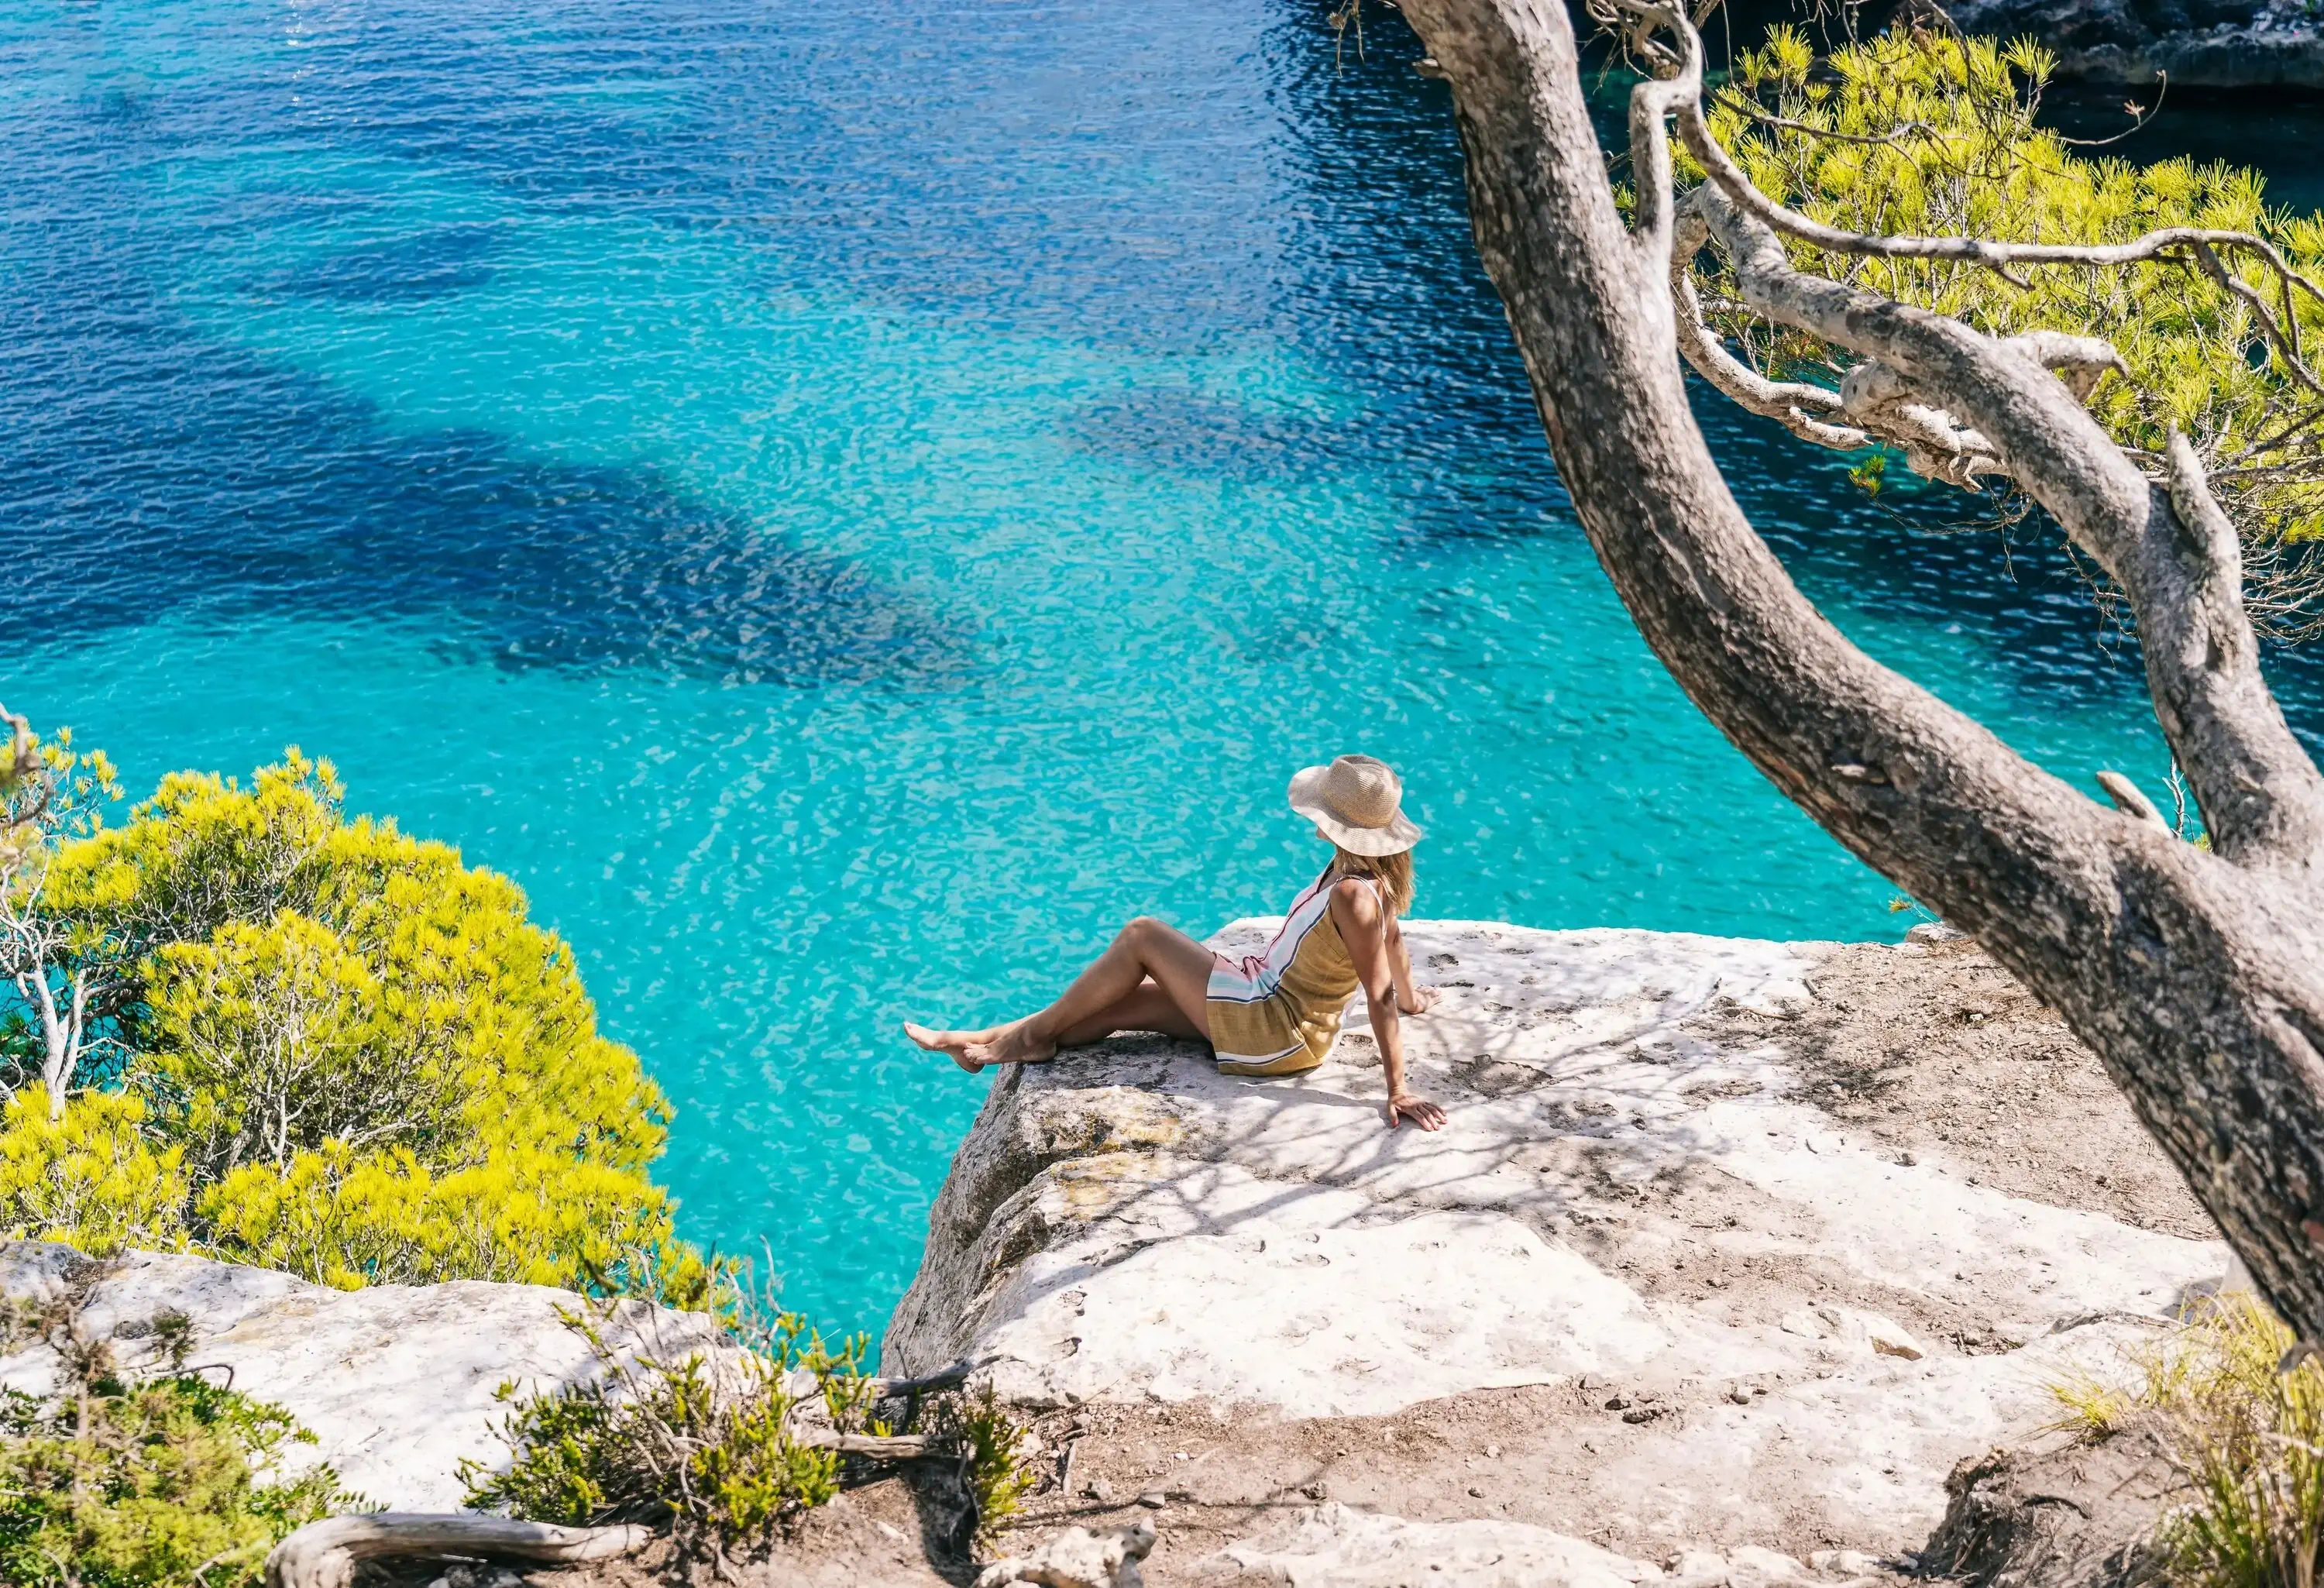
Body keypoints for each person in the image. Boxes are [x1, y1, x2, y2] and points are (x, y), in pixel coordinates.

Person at [904, 754, 1446, 1131]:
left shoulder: (1353, 894)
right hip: (1262, 1000)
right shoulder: (1357, 878)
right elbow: (1391, 940)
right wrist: (1414, 998)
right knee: (1123, 1005)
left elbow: (1375, 991)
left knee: (1143, 935)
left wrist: (1397, 1087)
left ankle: (1024, 1039)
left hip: (1274, 1029)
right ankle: (988, 1039)